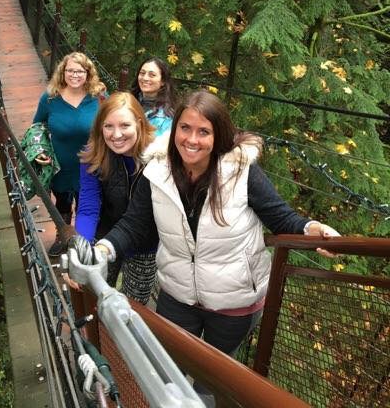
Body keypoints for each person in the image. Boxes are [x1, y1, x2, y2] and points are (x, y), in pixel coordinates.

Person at [92, 90, 339, 402]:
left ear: (218, 134)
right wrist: (103, 250)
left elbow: (281, 217)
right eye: (185, 128)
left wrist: (311, 229)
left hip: (234, 302)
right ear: (174, 130)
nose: (192, 140)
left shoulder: (241, 173)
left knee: (210, 382)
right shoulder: (156, 172)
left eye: (203, 131)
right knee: (169, 369)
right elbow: (133, 223)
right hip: (177, 296)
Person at [75, 92, 157, 303]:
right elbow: (88, 206)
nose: (116, 135)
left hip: (144, 242)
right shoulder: (94, 156)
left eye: (125, 126)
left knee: (135, 303)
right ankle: (96, 334)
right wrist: (81, 249)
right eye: (108, 126)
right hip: (105, 234)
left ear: (139, 124)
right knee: (94, 290)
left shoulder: (158, 159)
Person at [33, 52, 103, 256]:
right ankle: (62, 236)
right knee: (62, 204)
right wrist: (39, 150)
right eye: (70, 70)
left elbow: (110, 125)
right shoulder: (50, 98)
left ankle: (83, 244)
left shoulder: (97, 99)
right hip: (60, 165)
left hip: (89, 165)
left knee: (86, 206)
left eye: (80, 71)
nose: (74, 75)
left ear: (88, 74)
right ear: (62, 72)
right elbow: (37, 126)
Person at [130, 57, 176, 136]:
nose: (145, 78)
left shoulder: (167, 118)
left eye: (152, 75)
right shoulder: (128, 103)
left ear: (163, 81)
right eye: (142, 73)